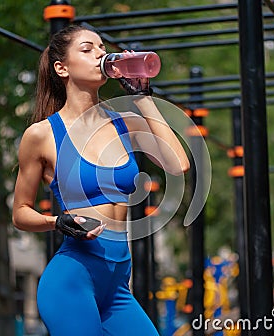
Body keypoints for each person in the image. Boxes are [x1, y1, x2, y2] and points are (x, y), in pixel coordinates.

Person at [12, 24, 190, 336]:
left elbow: (178, 164)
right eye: (87, 49)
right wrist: (57, 221)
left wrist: (143, 97)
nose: (100, 53)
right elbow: (20, 213)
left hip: (118, 287)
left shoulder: (125, 123)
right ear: (62, 68)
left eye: (101, 47)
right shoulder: (42, 135)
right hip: (72, 281)